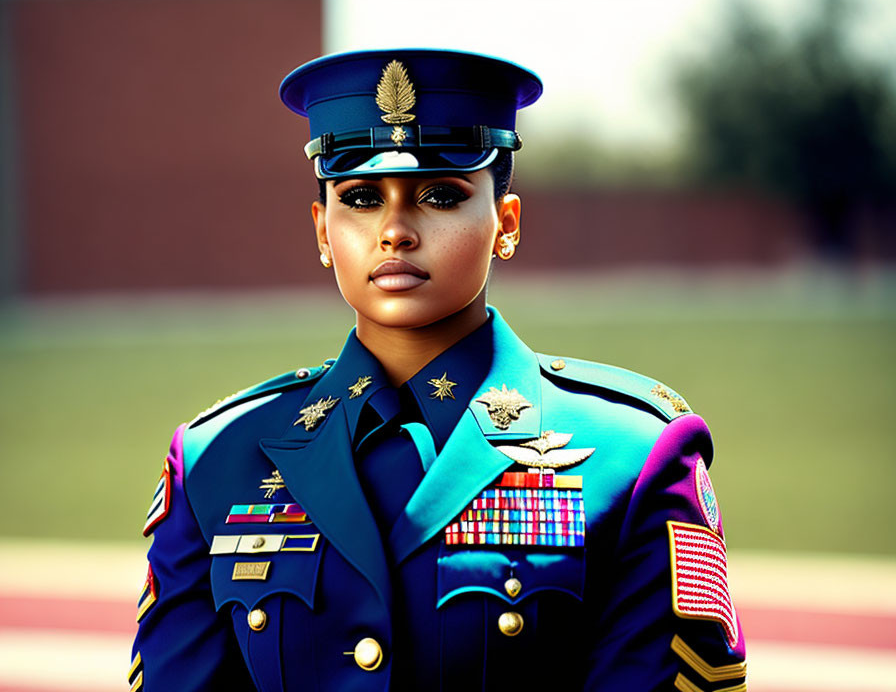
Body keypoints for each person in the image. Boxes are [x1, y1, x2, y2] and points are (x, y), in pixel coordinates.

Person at [129, 48, 747, 692]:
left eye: (440, 196)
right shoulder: (215, 461)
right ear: (321, 230)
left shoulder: (633, 456)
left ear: (505, 223)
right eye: (362, 197)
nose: (395, 231)